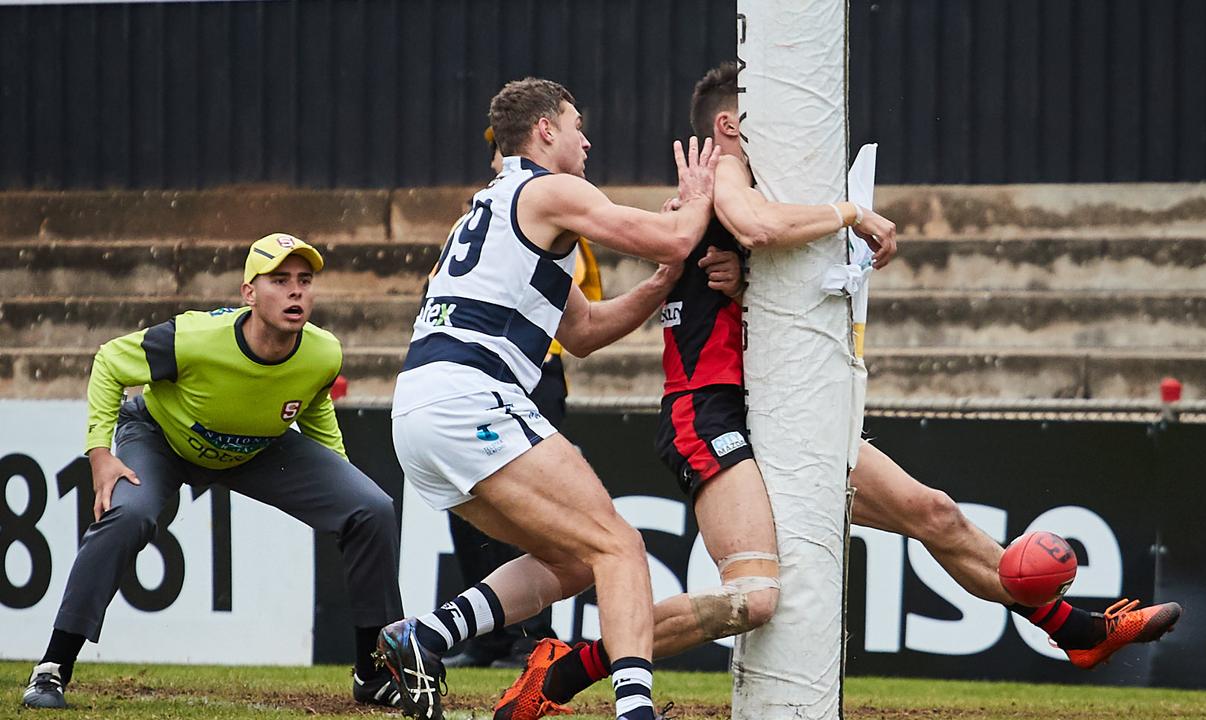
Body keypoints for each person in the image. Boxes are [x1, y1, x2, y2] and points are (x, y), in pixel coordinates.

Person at [493, 62, 1184, 720]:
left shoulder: (741, 194)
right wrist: (853, 212)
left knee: (934, 513)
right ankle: (562, 671)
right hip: (707, 415)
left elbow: (757, 249)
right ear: (733, 126)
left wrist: (753, 282)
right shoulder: (727, 173)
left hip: (778, 405)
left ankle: (1077, 629)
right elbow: (758, 225)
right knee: (753, 599)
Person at [376, 77, 719, 720]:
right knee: (619, 546)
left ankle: (425, 636)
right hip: (469, 396)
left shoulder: (489, 209)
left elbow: (583, 333)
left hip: (419, 409)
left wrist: (660, 284)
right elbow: (673, 236)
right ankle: (636, 714)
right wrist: (701, 198)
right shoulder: (551, 188)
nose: (588, 140)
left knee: (574, 558)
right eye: (577, 125)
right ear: (545, 130)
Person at [20, 233, 406, 710]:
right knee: (130, 515)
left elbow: (314, 408)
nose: (295, 291)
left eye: (305, 281)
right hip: (162, 438)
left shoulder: (323, 352)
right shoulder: (193, 338)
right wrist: (100, 452)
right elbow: (109, 361)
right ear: (248, 293)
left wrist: (342, 482)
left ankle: (372, 672)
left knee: (372, 508)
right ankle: (53, 667)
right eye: (279, 280)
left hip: (257, 447)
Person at [443, 127, 605, 670]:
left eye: (501, 149)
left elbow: (573, 313)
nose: (496, 159)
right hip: (478, 373)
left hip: (534, 367)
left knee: (539, 512)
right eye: (491, 150)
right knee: (474, 512)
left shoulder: (550, 213)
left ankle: (533, 637)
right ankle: (489, 638)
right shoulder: (485, 217)